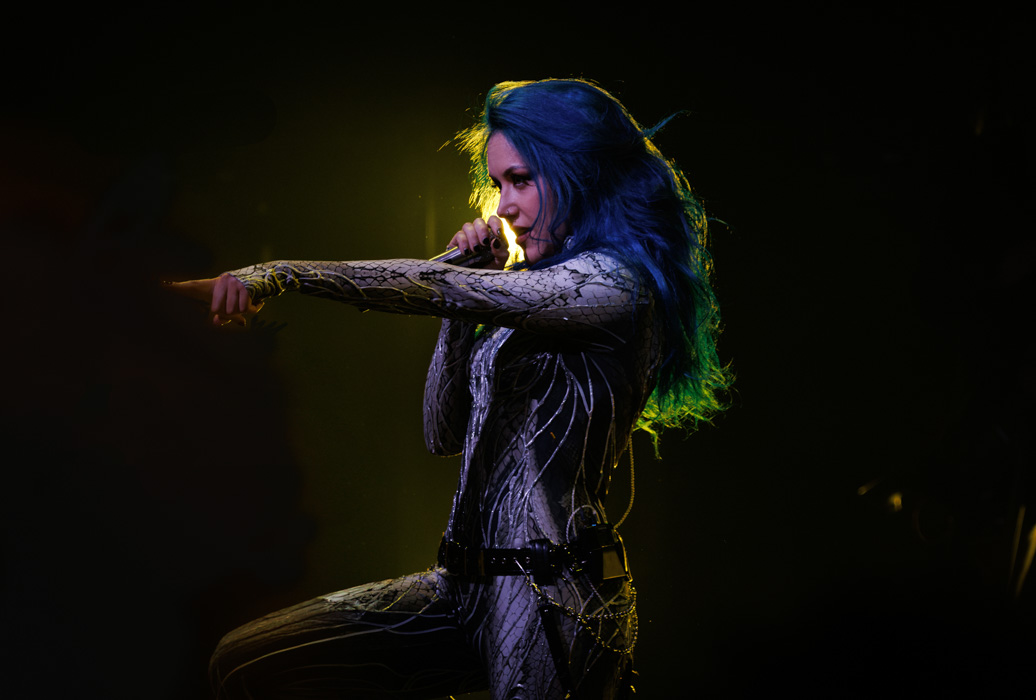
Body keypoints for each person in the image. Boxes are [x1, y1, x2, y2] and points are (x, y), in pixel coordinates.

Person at [172, 78, 730, 699]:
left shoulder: (614, 283)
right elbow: (443, 433)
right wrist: (467, 297)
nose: (504, 207)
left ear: (583, 171)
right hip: (459, 586)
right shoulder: (527, 285)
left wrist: (278, 275)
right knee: (243, 664)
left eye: (522, 180)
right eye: (498, 184)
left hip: (552, 593)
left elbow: (432, 286)